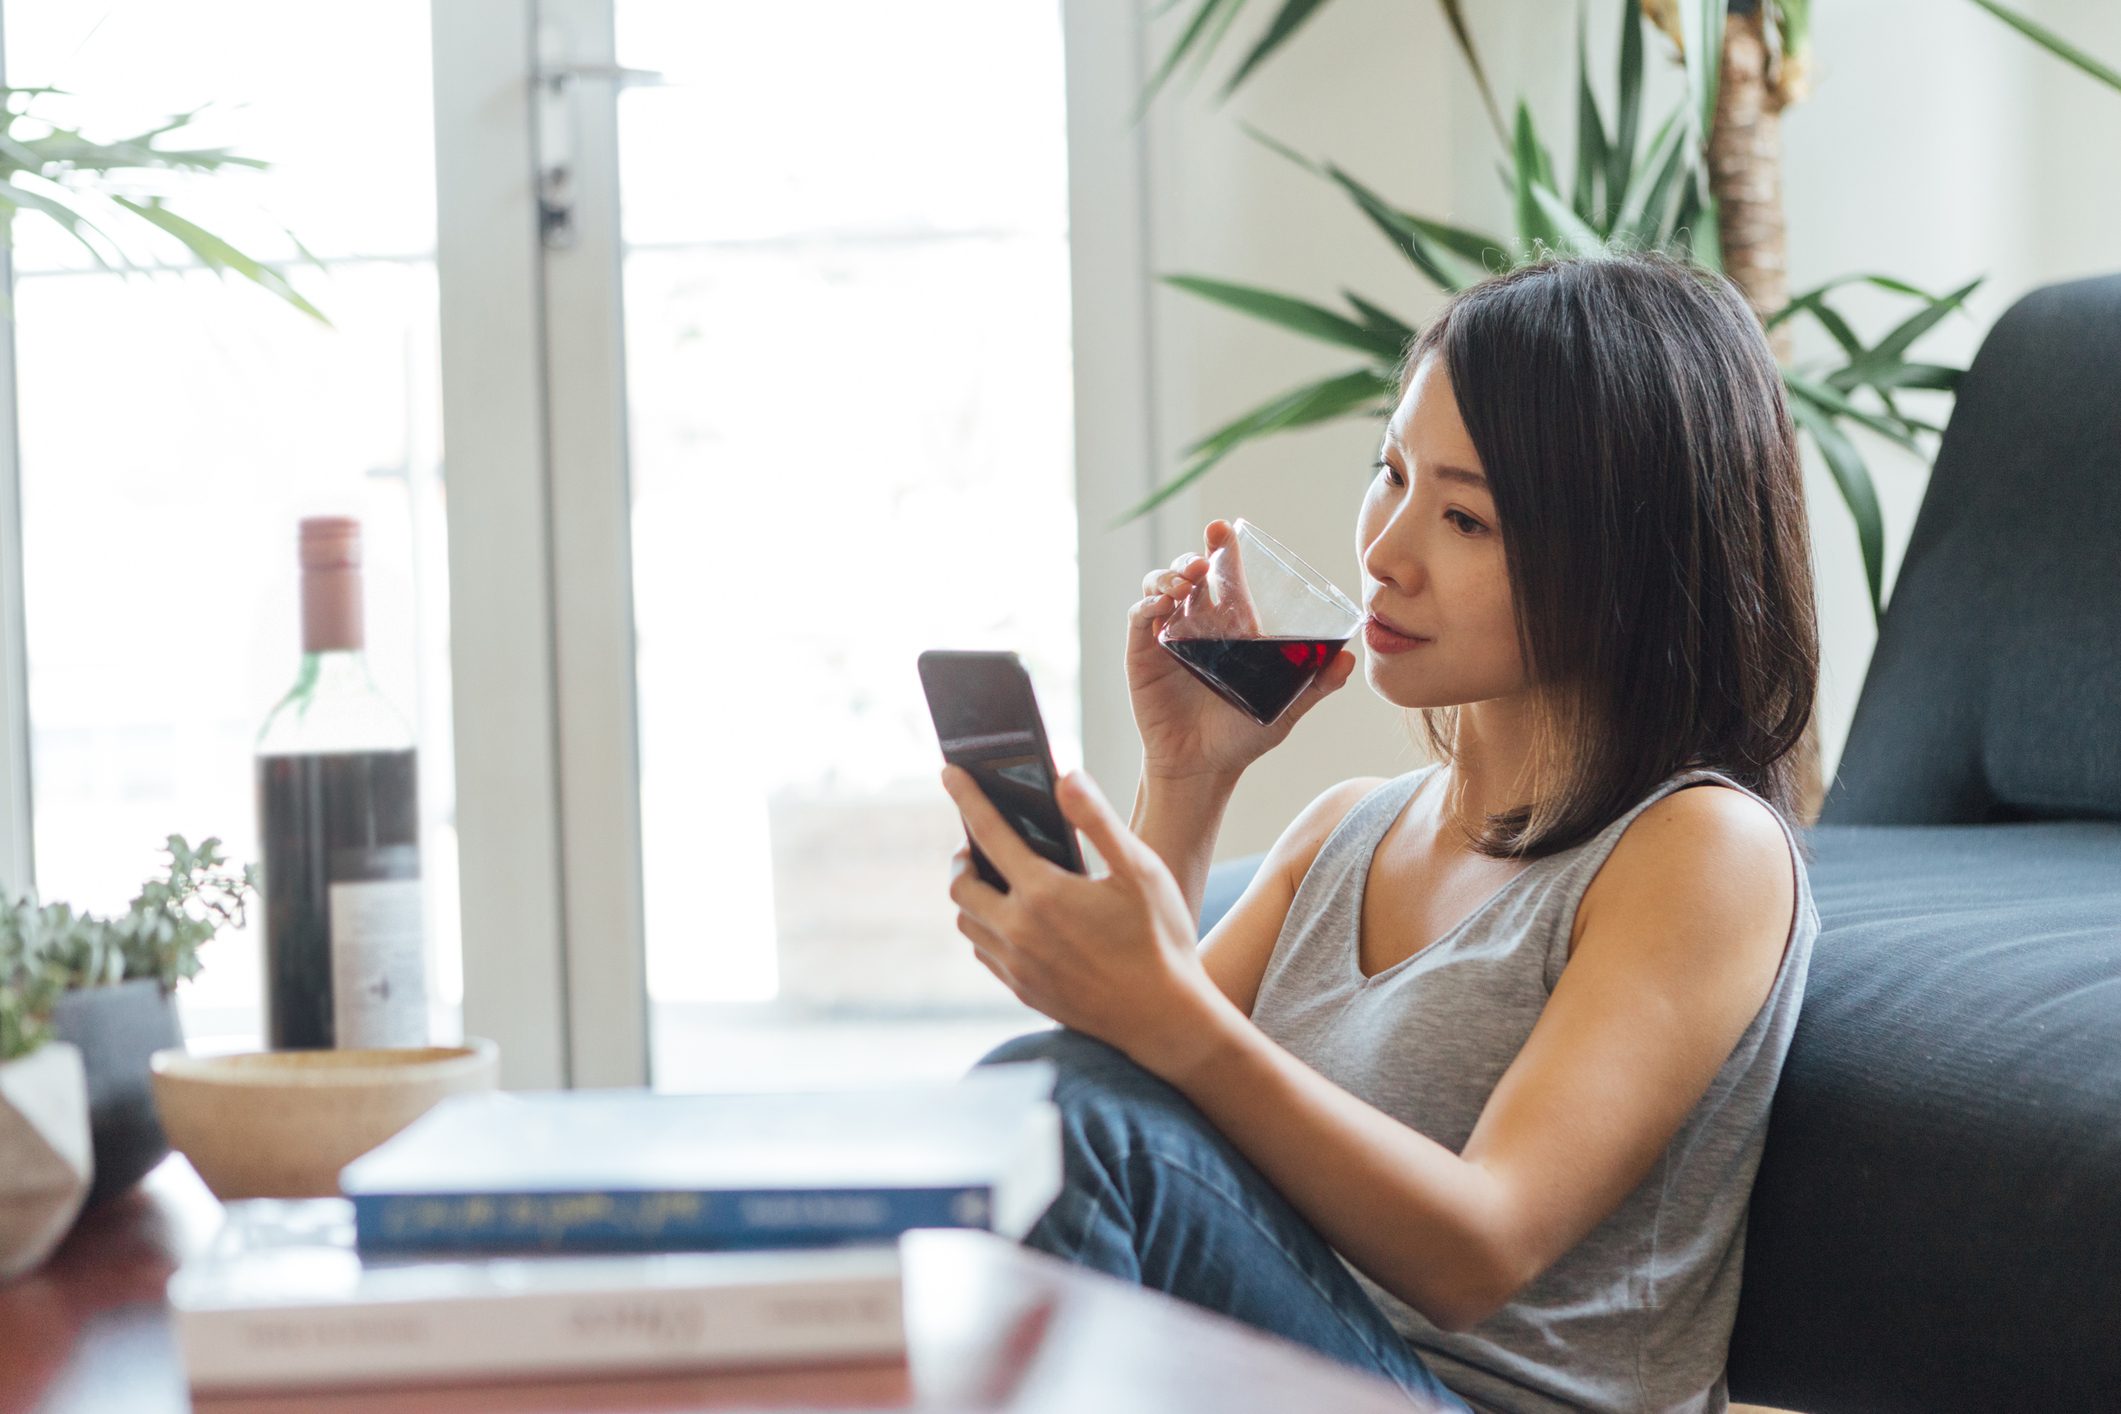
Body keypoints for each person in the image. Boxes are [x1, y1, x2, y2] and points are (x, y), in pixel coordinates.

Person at [939, 249, 1820, 1414]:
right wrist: (1189, 778)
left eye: (1464, 516)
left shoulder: (1701, 850)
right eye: (1390, 471)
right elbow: (1127, 1073)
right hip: (1268, 1380)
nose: (1385, 551)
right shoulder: (1342, 832)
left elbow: (1481, 1248)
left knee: (1072, 1121)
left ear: (1625, 562)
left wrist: (1171, 1014)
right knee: (1037, 1101)